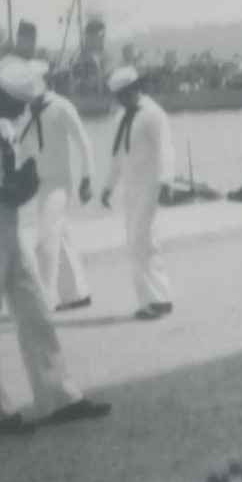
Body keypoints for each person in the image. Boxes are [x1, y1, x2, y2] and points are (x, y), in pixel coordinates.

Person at [0, 56, 111, 435]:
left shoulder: (0, 122)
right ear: (0, 95)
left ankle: (59, 398)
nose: (21, 113)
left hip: (9, 228)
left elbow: (1, 167)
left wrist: (22, 177)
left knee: (34, 311)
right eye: (18, 106)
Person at [101, 66, 177, 320]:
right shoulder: (123, 117)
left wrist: (167, 181)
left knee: (140, 241)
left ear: (136, 89)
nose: (123, 100)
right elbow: (118, 156)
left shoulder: (153, 114)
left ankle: (158, 299)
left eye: (126, 94)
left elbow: (165, 148)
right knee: (137, 244)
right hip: (132, 191)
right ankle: (153, 300)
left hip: (151, 186)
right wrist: (108, 187)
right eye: (119, 96)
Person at [19, 61, 96, 311]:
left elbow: (83, 141)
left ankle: (47, 299)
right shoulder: (28, 114)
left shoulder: (61, 107)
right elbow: (25, 149)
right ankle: (77, 293)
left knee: (44, 243)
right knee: (59, 237)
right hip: (40, 186)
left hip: (59, 184)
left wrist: (87, 178)